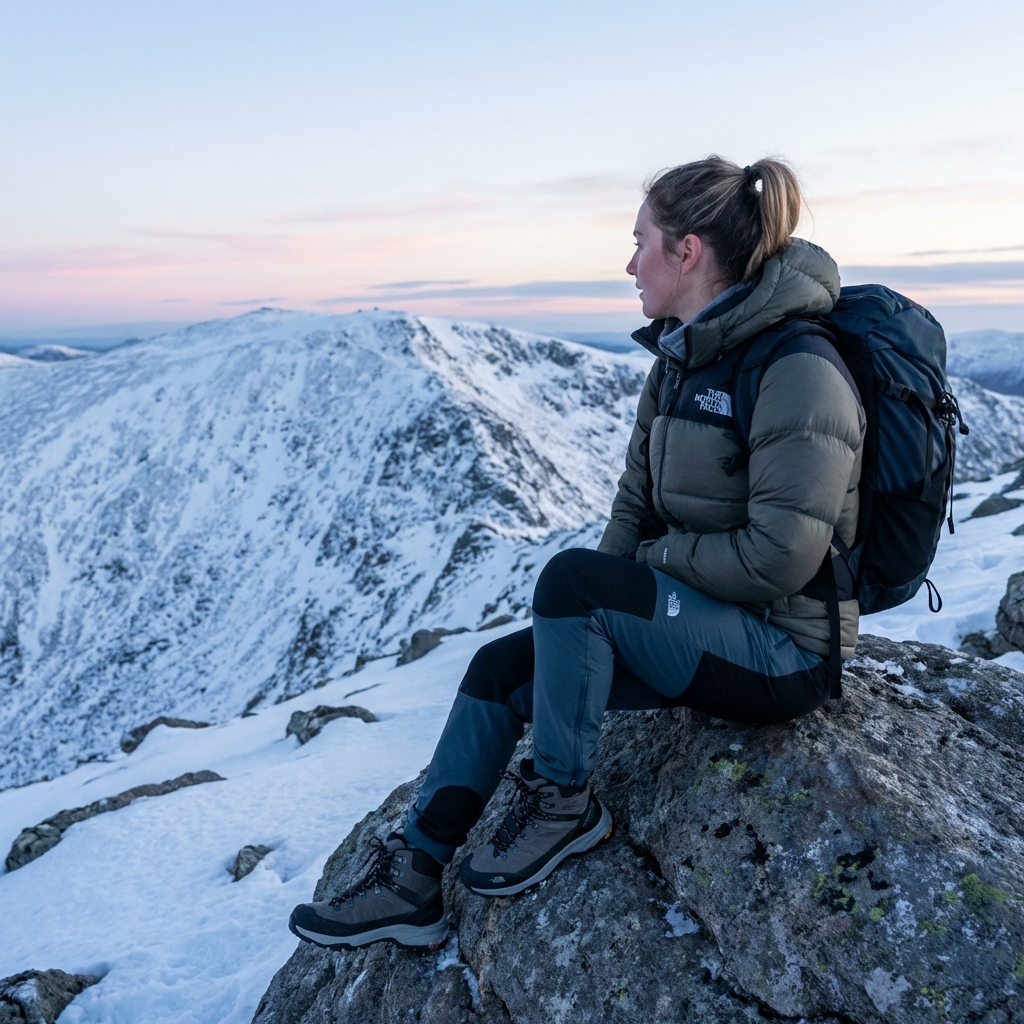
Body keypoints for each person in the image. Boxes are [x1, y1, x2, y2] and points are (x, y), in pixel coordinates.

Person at [288, 155, 866, 951]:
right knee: (502, 667)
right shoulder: (680, 359)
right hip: (697, 628)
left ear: (688, 251)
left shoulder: (796, 368)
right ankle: (414, 875)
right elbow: (635, 503)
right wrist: (598, 612)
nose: (630, 263)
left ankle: (563, 801)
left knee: (573, 583)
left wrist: (635, 580)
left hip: (781, 654)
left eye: (641, 242)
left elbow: (781, 559)